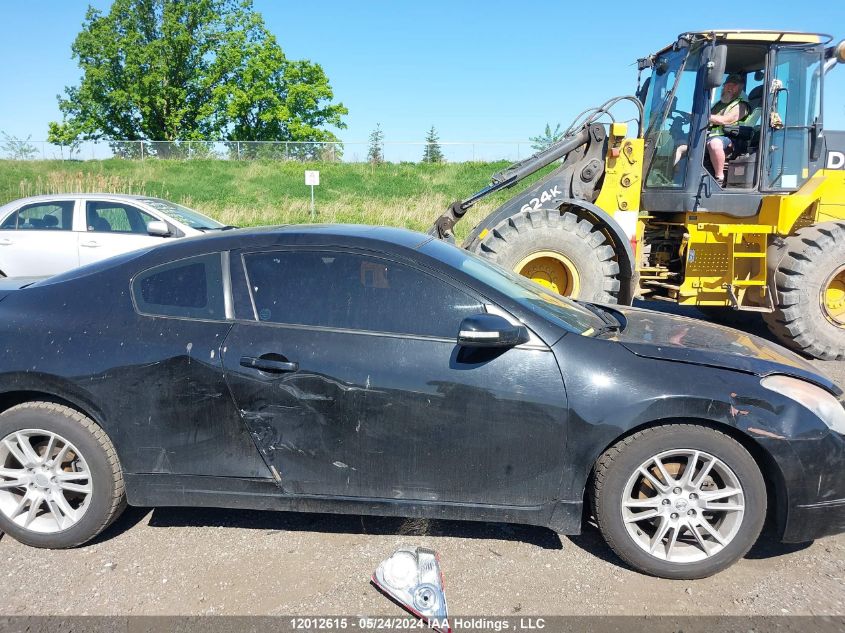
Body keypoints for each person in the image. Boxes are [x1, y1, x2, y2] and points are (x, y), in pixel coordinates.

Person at [673, 74, 750, 186]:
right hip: (709, 136)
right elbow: (706, 120)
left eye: (733, 86)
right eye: (727, 85)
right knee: (680, 147)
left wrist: (701, 117)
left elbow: (726, 120)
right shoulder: (718, 105)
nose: (729, 88)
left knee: (714, 144)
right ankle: (675, 178)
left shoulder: (742, 105)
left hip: (731, 139)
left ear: (739, 88)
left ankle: (719, 177)